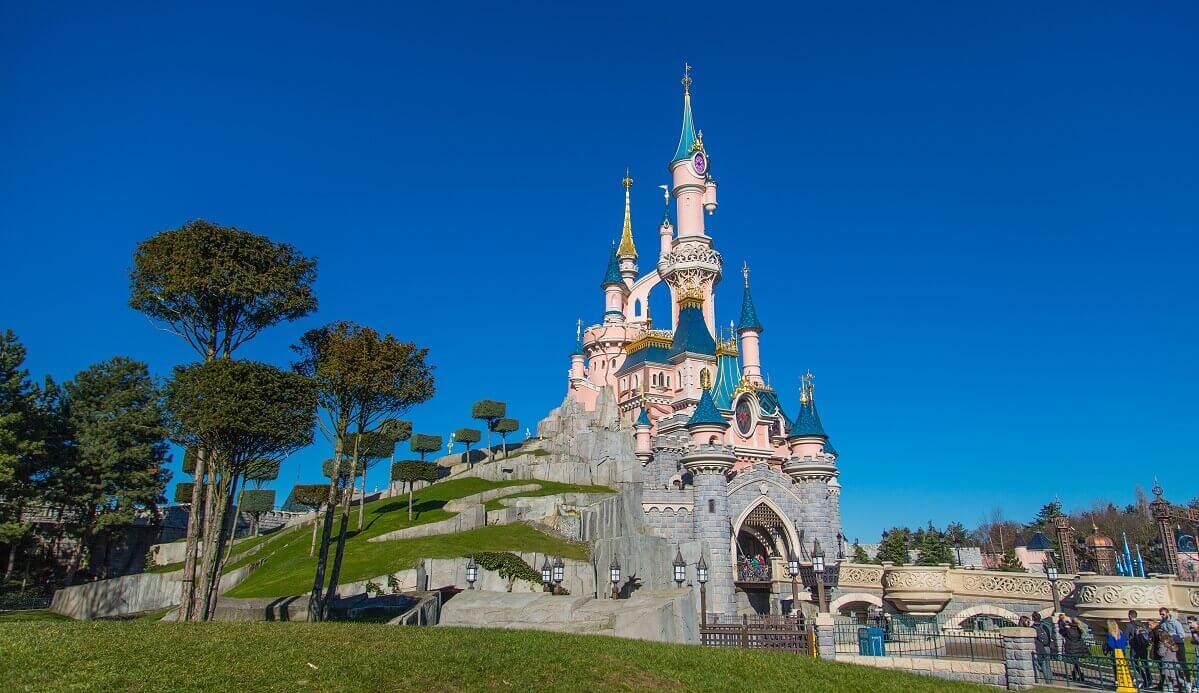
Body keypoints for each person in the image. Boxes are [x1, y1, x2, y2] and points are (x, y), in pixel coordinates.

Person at [1160, 607, 1190, 689]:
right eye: (1160, 615)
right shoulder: (1162, 623)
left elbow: (1182, 635)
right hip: (1169, 646)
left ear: (1167, 613)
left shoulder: (1175, 623)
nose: (1162, 616)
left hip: (1179, 644)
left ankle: (1188, 682)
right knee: (1171, 665)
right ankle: (1175, 683)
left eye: (1163, 614)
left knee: (1182, 664)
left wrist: (1171, 635)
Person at [1126, 609, 1154, 690]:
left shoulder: (1129, 625)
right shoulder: (1142, 624)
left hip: (1135, 648)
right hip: (1144, 647)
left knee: (1134, 664)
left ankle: (1144, 679)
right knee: (1145, 663)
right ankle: (1149, 680)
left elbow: (1126, 637)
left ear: (1130, 616)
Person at [1059, 615, 1088, 682]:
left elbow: (1061, 633)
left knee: (1076, 662)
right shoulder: (1079, 629)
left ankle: (1079, 676)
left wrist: (1064, 625)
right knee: (1076, 662)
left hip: (1071, 648)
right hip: (1079, 648)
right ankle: (1078, 675)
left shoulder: (1068, 630)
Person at [1032, 612, 1057, 683]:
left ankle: (1047, 682)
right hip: (1047, 647)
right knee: (1048, 665)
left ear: (1033, 618)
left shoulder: (1033, 628)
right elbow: (1049, 636)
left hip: (1039, 648)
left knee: (1043, 666)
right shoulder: (1045, 626)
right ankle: (1051, 681)